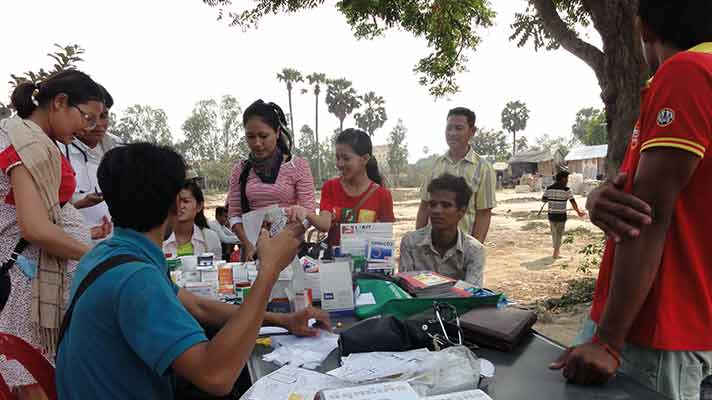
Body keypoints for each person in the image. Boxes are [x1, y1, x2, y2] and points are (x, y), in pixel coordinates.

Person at [56, 142, 330, 399]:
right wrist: (269, 270)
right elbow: (216, 377)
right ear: (176, 204)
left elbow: (198, 307)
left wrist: (283, 321)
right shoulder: (136, 279)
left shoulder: (109, 255)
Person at [550, 1, 712, 398]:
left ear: (643, 29)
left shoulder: (686, 73)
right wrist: (602, 198)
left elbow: (647, 216)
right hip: (693, 323)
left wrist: (607, 341)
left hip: (655, 327)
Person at [0, 70, 104, 400]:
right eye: (86, 116)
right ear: (59, 103)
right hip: (21, 284)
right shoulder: (24, 144)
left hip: (35, 277)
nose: (87, 127)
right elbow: (33, 227)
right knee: (30, 378)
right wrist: (96, 257)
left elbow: (32, 209)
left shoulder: (35, 140)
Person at [227, 100, 316, 261]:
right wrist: (248, 244)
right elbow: (234, 215)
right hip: (254, 253)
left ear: (276, 132)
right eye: (250, 136)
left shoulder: (298, 166)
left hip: (291, 252)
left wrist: (279, 243)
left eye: (263, 136)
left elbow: (308, 213)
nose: (257, 143)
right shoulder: (240, 170)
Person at [286, 128, 395, 247]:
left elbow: (385, 238)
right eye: (337, 158)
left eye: (346, 158)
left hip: (368, 263)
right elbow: (324, 225)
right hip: (336, 263)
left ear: (364, 159)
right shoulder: (330, 187)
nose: (339, 164)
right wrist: (306, 212)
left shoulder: (383, 195)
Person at [416, 107, 496, 243]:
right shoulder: (435, 165)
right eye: (449, 128)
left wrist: (474, 251)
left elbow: (483, 214)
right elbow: (424, 207)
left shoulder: (483, 169)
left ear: (472, 131)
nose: (452, 133)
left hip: (463, 248)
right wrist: (418, 244)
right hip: (432, 248)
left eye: (459, 128)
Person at [400, 174, 486, 286]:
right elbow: (405, 289)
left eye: (446, 205)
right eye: (432, 204)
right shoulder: (410, 242)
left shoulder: (474, 250)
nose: (437, 211)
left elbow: (471, 295)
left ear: (462, 211)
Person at [64, 83, 119, 242]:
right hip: (73, 248)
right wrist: (80, 202)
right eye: (90, 118)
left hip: (112, 245)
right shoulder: (58, 149)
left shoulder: (117, 147)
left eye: (104, 116)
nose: (99, 125)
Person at [163, 180, 222, 258]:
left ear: (199, 206)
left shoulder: (210, 238)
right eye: (176, 201)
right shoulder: (159, 239)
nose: (180, 206)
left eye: (186, 201)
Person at [541, 171, 586, 258]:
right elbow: (573, 202)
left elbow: (543, 200)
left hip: (551, 215)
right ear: (563, 179)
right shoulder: (566, 190)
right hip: (561, 215)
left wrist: (550, 199)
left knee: (554, 233)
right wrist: (578, 212)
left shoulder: (549, 188)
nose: (567, 180)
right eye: (567, 178)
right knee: (559, 233)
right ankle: (556, 251)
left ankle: (556, 249)